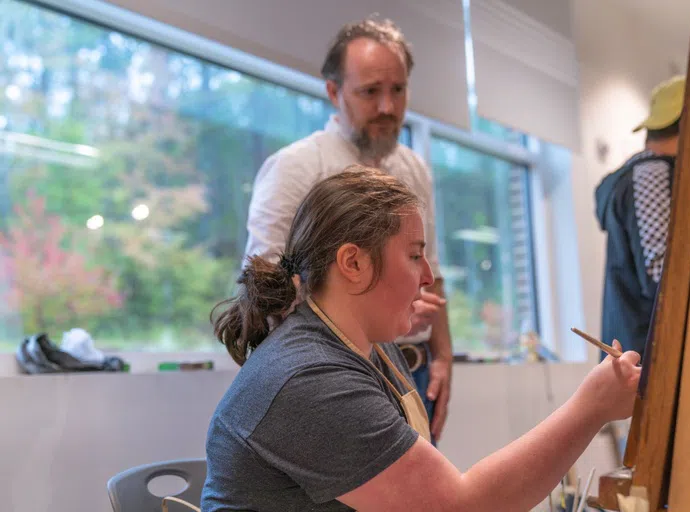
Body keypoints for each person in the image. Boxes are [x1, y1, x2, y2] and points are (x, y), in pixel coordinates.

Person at [203, 167, 641, 512]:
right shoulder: (309, 380)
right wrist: (591, 408)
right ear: (353, 262)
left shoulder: (374, 348)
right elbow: (460, 506)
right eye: (414, 255)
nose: (429, 277)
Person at [242, 18, 452, 440]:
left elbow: (431, 271)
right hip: (334, 369)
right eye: (370, 91)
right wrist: (378, 313)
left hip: (414, 368)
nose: (388, 108)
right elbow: (264, 284)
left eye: (398, 90)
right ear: (334, 92)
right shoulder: (296, 167)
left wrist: (444, 354)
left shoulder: (413, 169)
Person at [595, 75, 685, 360]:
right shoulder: (652, 174)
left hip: (631, 355)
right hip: (650, 360)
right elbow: (661, 273)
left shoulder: (632, 176)